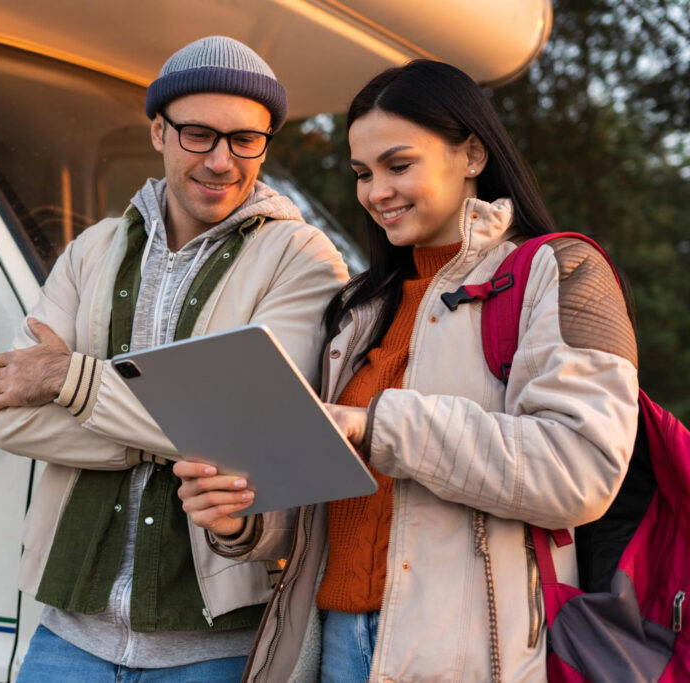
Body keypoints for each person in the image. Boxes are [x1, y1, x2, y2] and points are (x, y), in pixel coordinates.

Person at [176, 59, 640, 682]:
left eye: (399, 165)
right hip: (337, 642)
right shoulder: (361, 309)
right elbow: (328, 505)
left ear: (472, 153)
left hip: (471, 655)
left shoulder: (563, 273)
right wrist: (242, 522)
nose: (375, 193)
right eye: (364, 174)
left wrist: (377, 426)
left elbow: (579, 470)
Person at [0, 36, 348, 681]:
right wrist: (196, 429)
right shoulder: (90, 250)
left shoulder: (304, 259)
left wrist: (68, 379)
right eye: (198, 135)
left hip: (213, 647)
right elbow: (11, 421)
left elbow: (261, 431)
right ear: (158, 131)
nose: (221, 160)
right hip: (69, 641)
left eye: (245, 140)